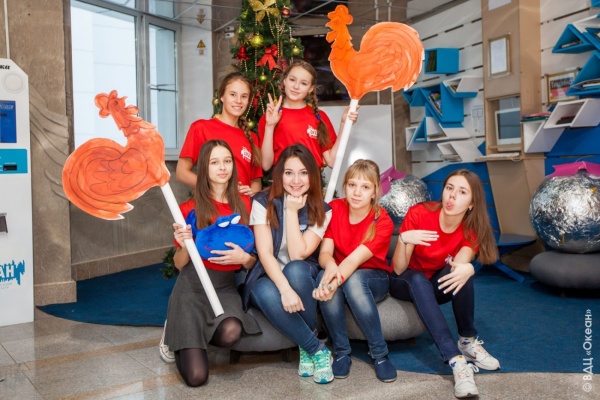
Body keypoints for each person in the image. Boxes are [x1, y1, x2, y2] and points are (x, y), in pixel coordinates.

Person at [389, 168, 500, 399]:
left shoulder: (471, 227)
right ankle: (456, 360)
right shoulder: (419, 213)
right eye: (449, 188)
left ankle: (467, 341)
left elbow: (460, 265)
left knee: (461, 272)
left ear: (472, 203)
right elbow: (399, 269)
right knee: (417, 279)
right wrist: (403, 239)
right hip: (404, 281)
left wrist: (469, 267)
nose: (452, 196)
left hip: (433, 286)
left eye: (462, 192)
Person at [163, 140, 261, 387]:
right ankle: (178, 333)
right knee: (197, 378)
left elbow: (254, 261)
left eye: (227, 161)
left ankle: (194, 337)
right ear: (204, 168)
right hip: (192, 289)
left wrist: (244, 259)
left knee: (230, 333)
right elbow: (178, 263)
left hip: (224, 287)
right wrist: (184, 246)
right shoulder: (189, 208)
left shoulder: (246, 204)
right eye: (214, 162)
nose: (222, 168)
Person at [242, 144, 334, 384]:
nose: (296, 180)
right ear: (279, 175)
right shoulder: (262, 201)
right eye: (289, 173)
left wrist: (292, 211)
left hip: (301, 273)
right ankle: (316, 349)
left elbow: (298, 254)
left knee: (294, 269)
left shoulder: (323, 210)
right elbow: (265, 253)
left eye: (303, 173)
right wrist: (284, 290)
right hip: (268, 274)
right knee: (262, 290)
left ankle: (306, 347)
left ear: (312, 175)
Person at [313, 159, 397, 383]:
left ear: (375, 192)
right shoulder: (335, 209)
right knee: (323, 275)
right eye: (352, 185)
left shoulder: (382, 221)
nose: (357, 193)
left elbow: (353, 261)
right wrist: (330, 266)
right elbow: (325, 253)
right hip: (342, 273)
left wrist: (329, 285)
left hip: (373, 278)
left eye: (365, 187)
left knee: (353, 280)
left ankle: (380, 353)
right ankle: (342, 352)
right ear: (345, 186)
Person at [259, 59, 358, 171]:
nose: (296, 86)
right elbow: (266, 165)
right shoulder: (270, 117)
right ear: (284, 80)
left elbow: (332, 161)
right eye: (292, 80)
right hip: (283, 179)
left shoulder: (319, 117)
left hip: (313, 179)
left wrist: (344, 124)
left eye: (303, 83)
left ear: (310, 88)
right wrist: (270, 126)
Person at [177, 71, 262, 196]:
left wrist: (251, 193)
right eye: (233, 94)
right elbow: (181, 173)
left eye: (244, 96)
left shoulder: (252, 137)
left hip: (242, 205)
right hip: (211, 205)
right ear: (222, 96)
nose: (238, 100)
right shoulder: (201, 128)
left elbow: (256, 181)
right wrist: (215, 189)